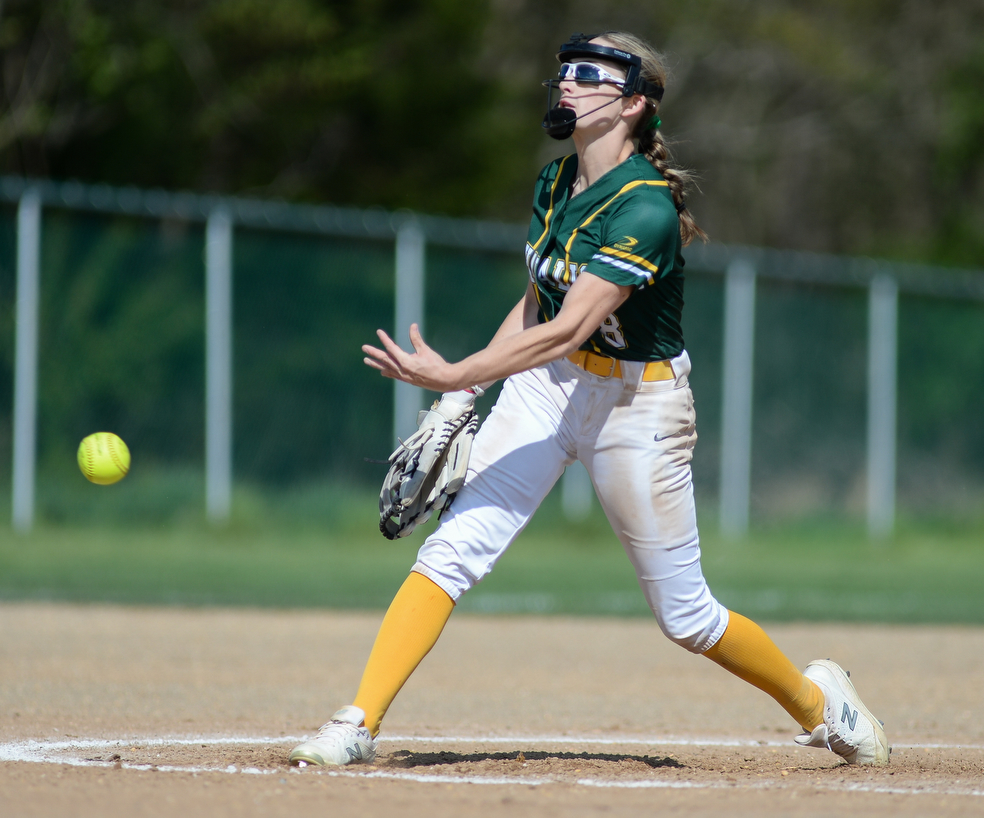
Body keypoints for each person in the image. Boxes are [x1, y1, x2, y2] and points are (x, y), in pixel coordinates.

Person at [289, 30, 889, 769]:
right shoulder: (554, 182)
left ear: (634, 103)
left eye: (588, 74)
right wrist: (470, 390)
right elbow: (541, 305)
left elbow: (574, 323)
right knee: (451, 552)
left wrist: (453, 372)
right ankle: (356, 724)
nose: (566, 83)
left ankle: (821, 705)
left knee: (687, 617)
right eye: (564, 71)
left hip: (639, 407)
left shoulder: (647, 210)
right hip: (548, 386)